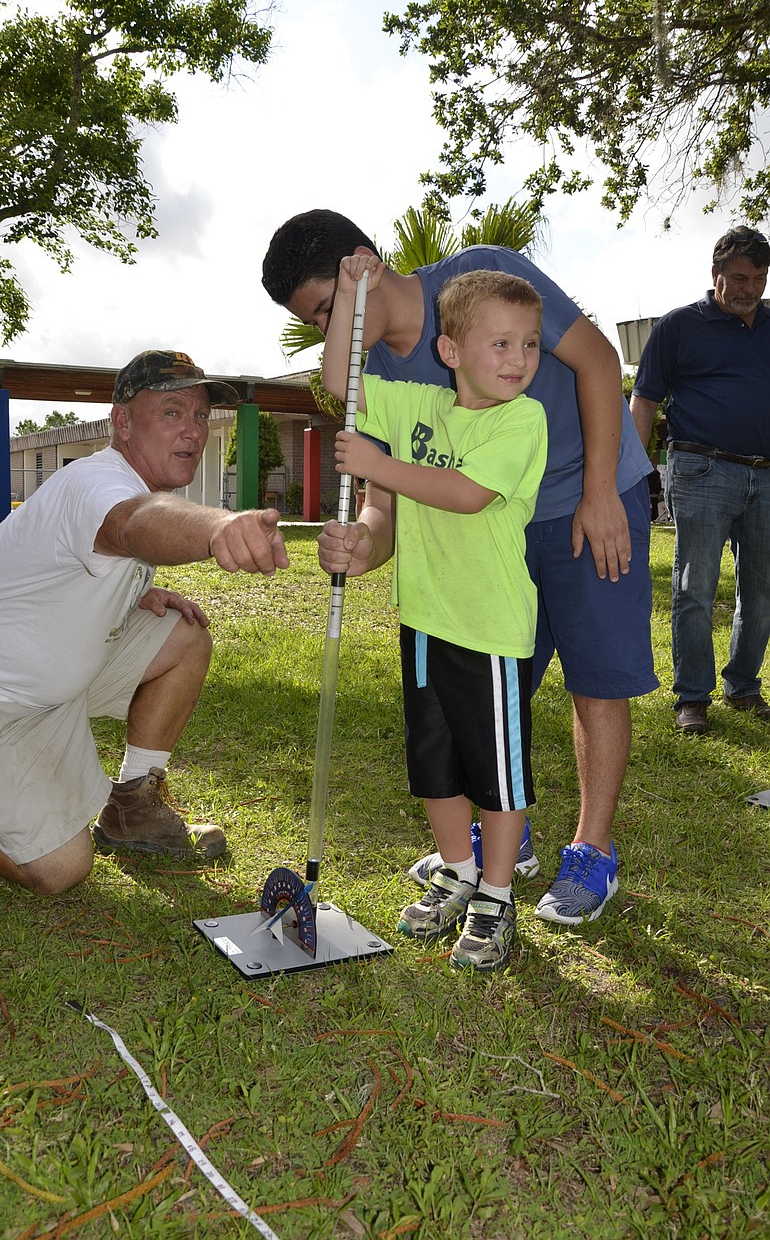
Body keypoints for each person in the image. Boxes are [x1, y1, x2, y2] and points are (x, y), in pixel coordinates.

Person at [262, 209, 658, 925]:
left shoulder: (481, 280)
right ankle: (513, 836)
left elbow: (599, 360)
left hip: (582, 486)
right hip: (487, 537)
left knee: (596, 676)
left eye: (326, 309)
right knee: (492, 689)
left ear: (363, 266)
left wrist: (602, 492)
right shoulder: (377, 369)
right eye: (319, 321)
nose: (329, 329)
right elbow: (385, 501)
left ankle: (591, 851)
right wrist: (364, 542)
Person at [0, 350, 289, 894]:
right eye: (171, 413)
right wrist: (219, 528)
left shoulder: (125, 483)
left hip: (44, 678)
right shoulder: (97, 484)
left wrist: (137, 591)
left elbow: (104, 552)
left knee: (185, 636)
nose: (192, 430)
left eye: (200, 416)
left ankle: (132, 805)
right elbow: (133, 525)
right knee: (57, 871)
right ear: (121, 422)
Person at [323, 256, 547, 970]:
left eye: (529, 344)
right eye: (501, 343)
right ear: (450, 351)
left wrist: (376, 465)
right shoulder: (417, 404)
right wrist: (354, 293)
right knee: (435, 763)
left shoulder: (524, 421)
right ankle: (457, 870)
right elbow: (339, 383)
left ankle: (497, 895)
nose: (519, 359)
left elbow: (465, 493)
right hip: (423, 618)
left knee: (496, 774)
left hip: (489, 629)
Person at [631, 226, 770, 735]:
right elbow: (643, 399)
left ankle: (743, 685)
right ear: (716, 274)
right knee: (696, 587)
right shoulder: (677, 327)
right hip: (701, 469)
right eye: (738, 277)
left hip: (767, 477)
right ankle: (692, 696)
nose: (749, 288)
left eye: (758, 278)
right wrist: (633, 469)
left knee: (763, 591)